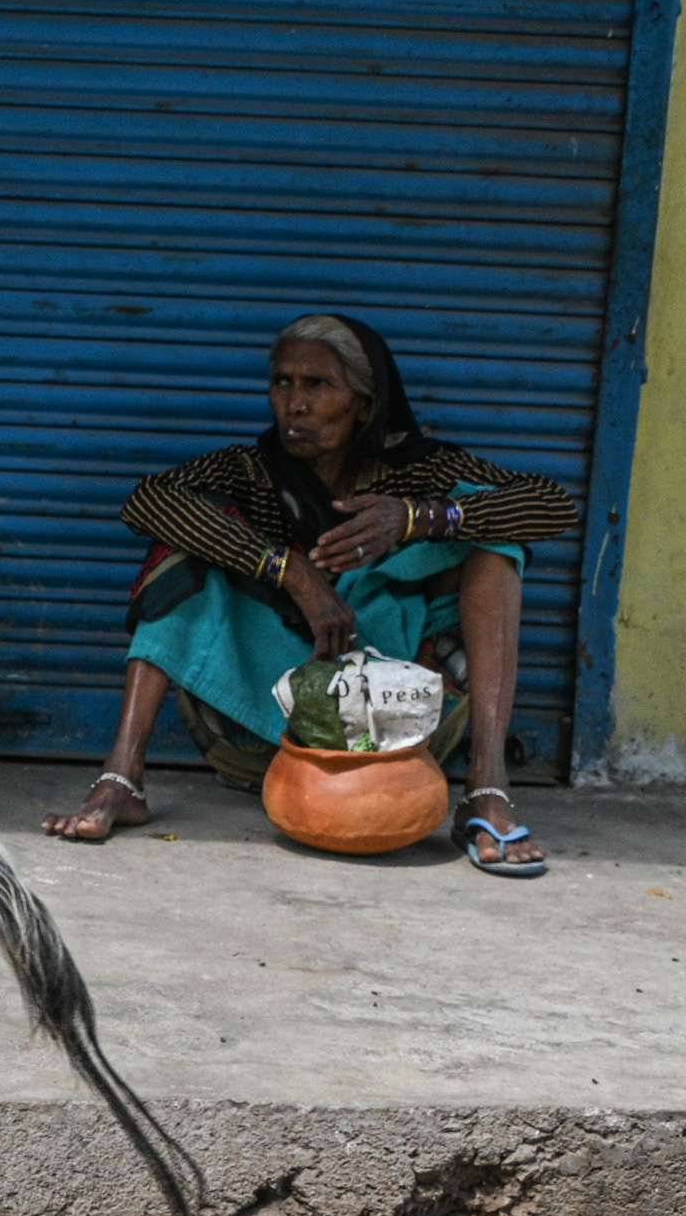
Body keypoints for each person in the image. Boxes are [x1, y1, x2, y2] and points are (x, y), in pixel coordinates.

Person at [41, 315, 575, 873]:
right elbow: (148, 501)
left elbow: (552, 504)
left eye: (317, 385)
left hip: (401, 726)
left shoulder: (419, 470)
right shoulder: (251, 469)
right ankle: (122, 778)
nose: (294, 404)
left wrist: (417, 519)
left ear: (364, 404)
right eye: (282, 383)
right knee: (178, 557)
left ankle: (486, 787)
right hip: (260, 725)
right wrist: (290, 571)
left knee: (498, 549)